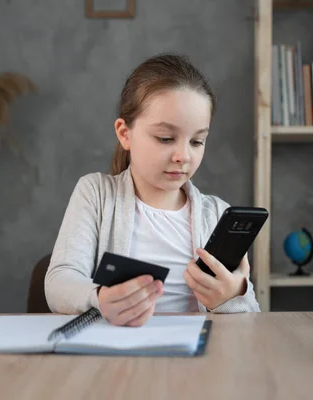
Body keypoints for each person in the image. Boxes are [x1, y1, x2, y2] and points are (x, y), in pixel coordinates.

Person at [45, 53, 260, 326]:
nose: (183, 155)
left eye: (197, 141)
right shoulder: (96, 194)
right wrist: (100, 297)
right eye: (165, 138)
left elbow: (253, 317)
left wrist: (232, 297)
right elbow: (59, 282)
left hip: (197, 359)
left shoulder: (217, 213)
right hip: (115, 356)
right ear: (125, 134)